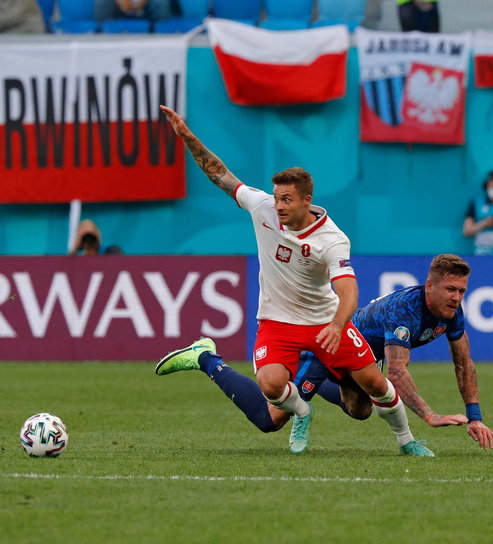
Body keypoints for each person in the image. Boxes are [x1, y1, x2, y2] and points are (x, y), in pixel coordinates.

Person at [156, 104, 433, 457]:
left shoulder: (332, 239)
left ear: (307, 200)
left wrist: (336, 325)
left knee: (373, 389)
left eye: (286, 199)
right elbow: (220, 174)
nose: (279, 205)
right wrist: (189, 138)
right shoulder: (263, 209)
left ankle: (407, 441)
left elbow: (348, 291)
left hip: (324, 322)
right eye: (276, 197)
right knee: (271, 387)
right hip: (277, 320)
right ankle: (302, 412)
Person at [155, 254, 493, 451]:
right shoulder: (404, 312)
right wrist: (429, 415)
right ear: (429, 286)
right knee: (269, 420)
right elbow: (396, 373)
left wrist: (475, 415)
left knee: (360, 411)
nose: (457, 297)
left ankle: (312, 387)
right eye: (451, 289)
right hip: (327, 347)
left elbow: (463, 363)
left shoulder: (452, 314)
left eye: (462, 290)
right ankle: (206, 357)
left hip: (356, 361)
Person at [94, 0, 171, 23]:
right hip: (119, 6)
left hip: (146, 6)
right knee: (102, 2)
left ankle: (161, 36)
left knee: (160, 2)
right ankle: (103, 34)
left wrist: (141, 2)